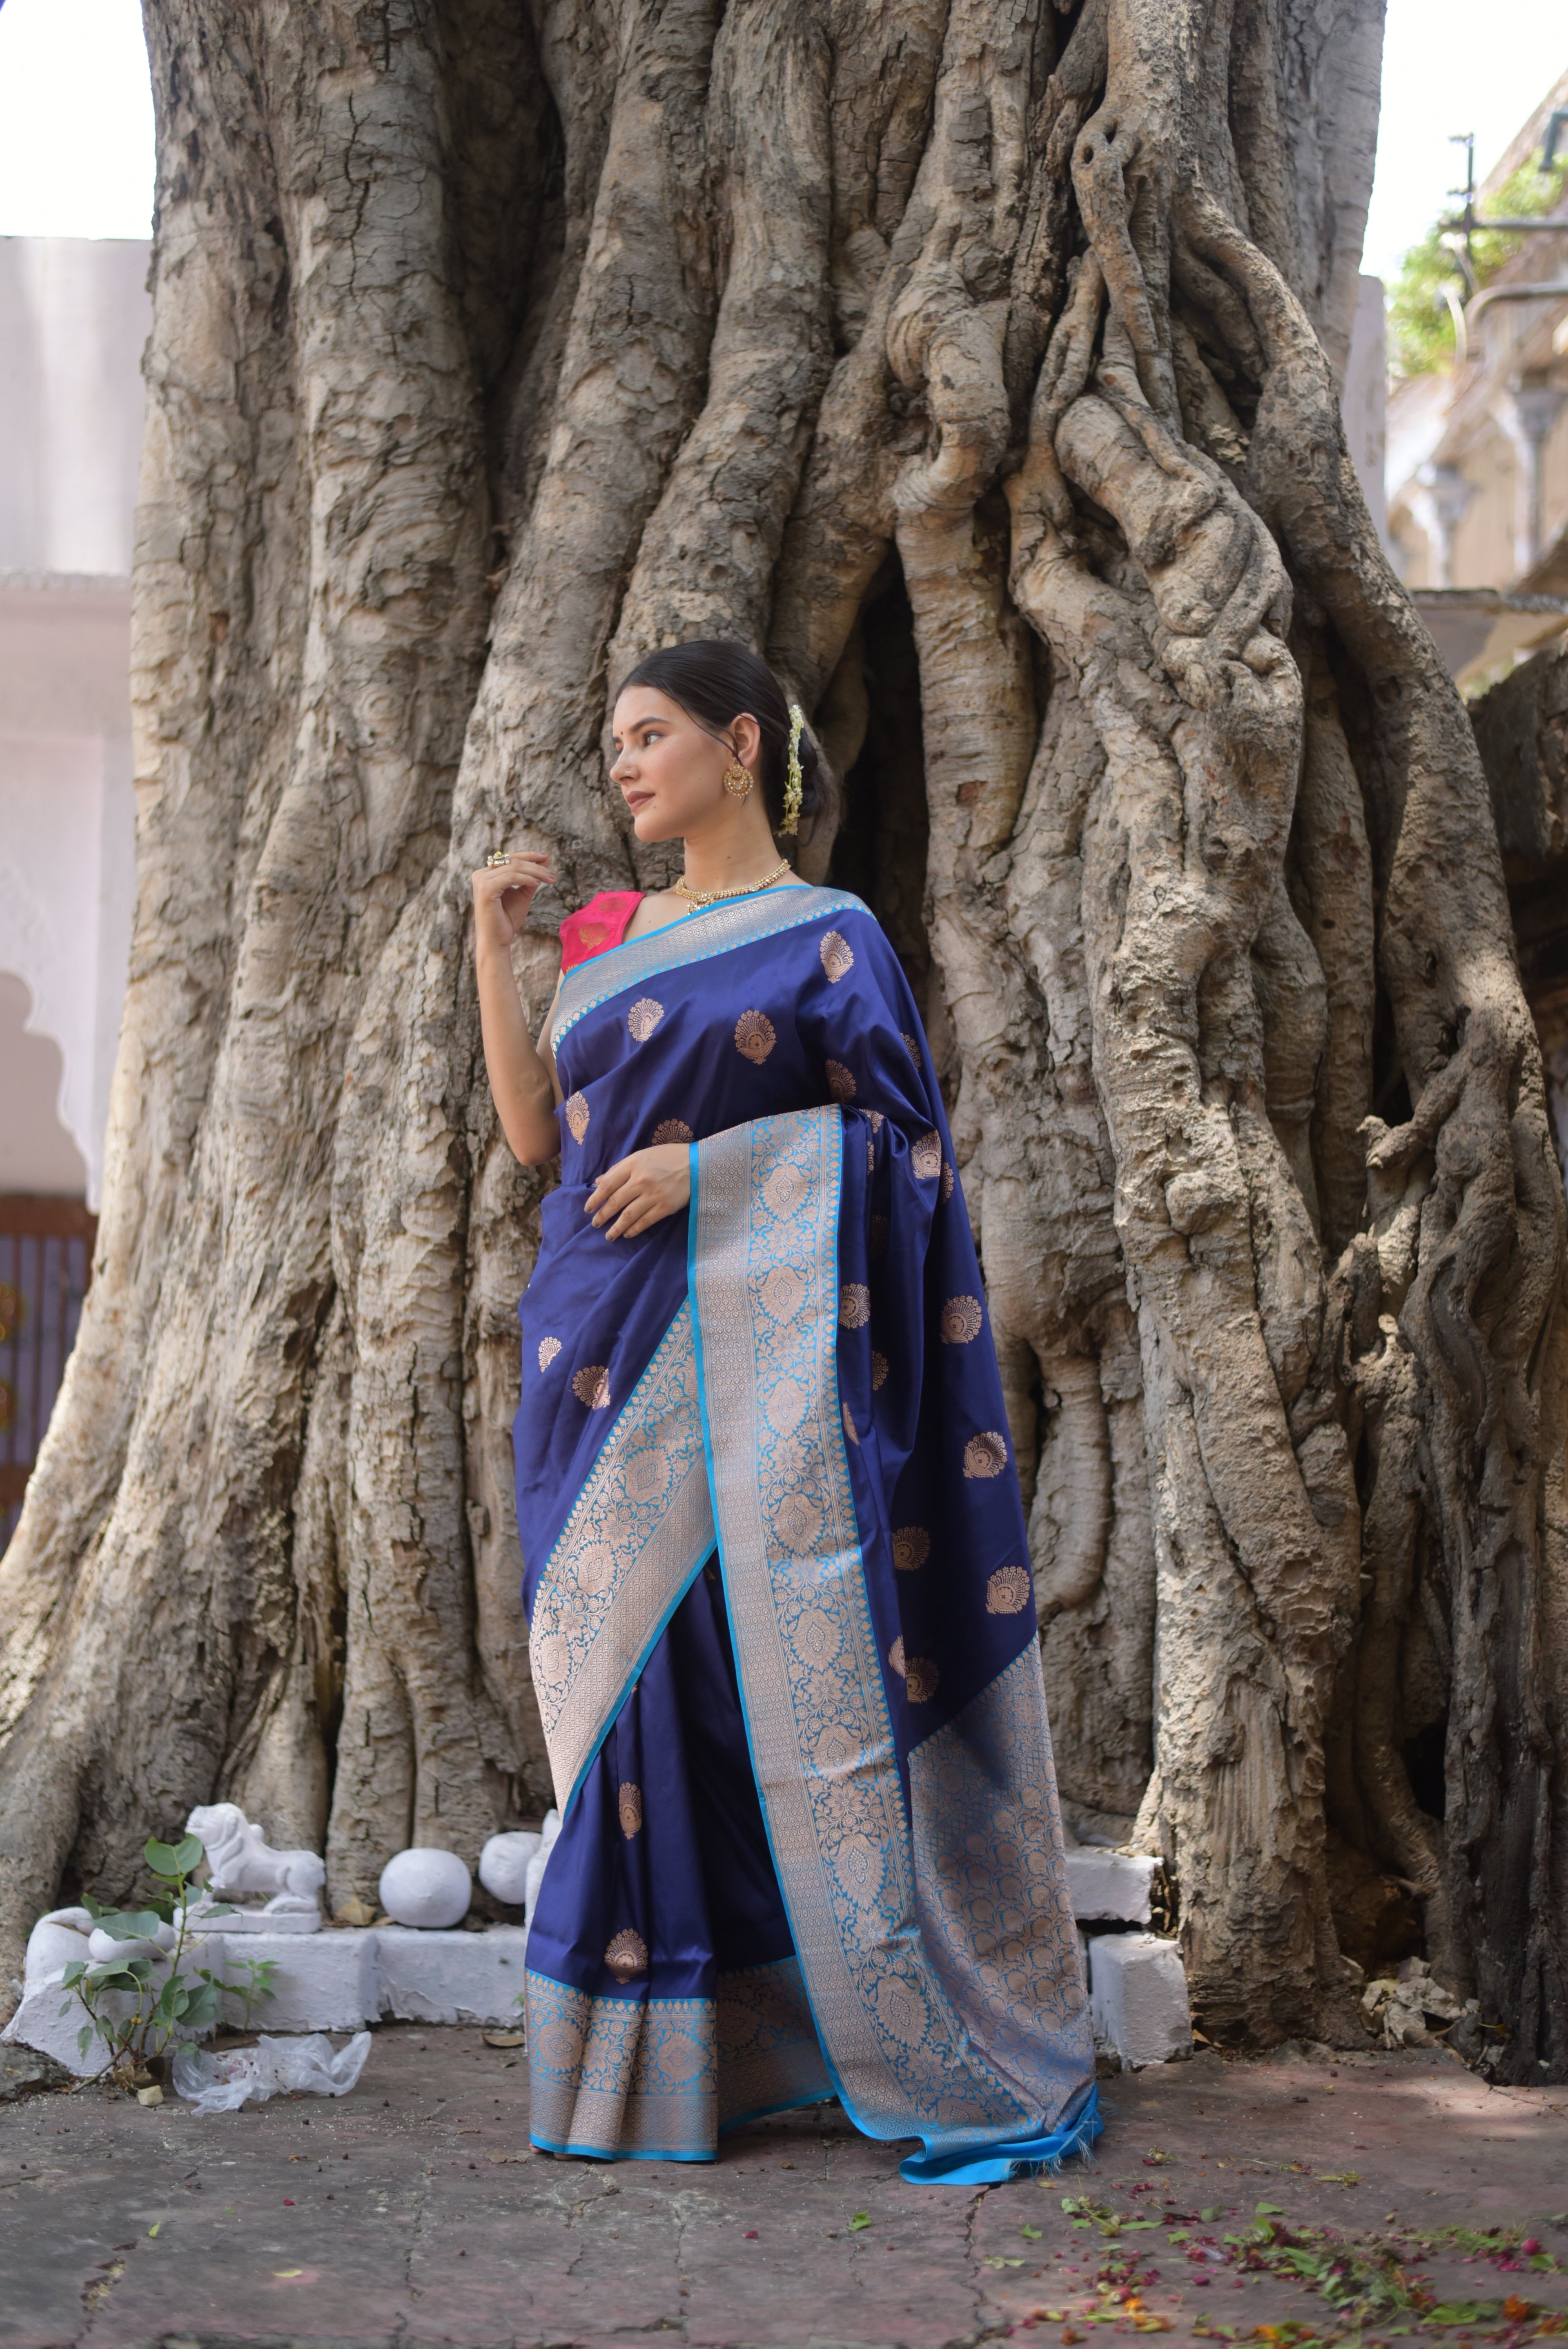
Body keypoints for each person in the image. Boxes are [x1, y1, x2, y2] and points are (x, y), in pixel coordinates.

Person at [471, 640, 1098, 2183]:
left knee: (735, 1694)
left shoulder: (831, 940)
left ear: (740, 744)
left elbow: (908, 1156)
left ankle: (823, 2033)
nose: (623, 766)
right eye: (613, 741)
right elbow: (534, 1134)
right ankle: (648, 2070)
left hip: (761, 1382)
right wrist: (493, 947)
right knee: (626, 1705)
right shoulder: (608, 933)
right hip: (593, 1355)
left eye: (651, 735)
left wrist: (716, 1170)